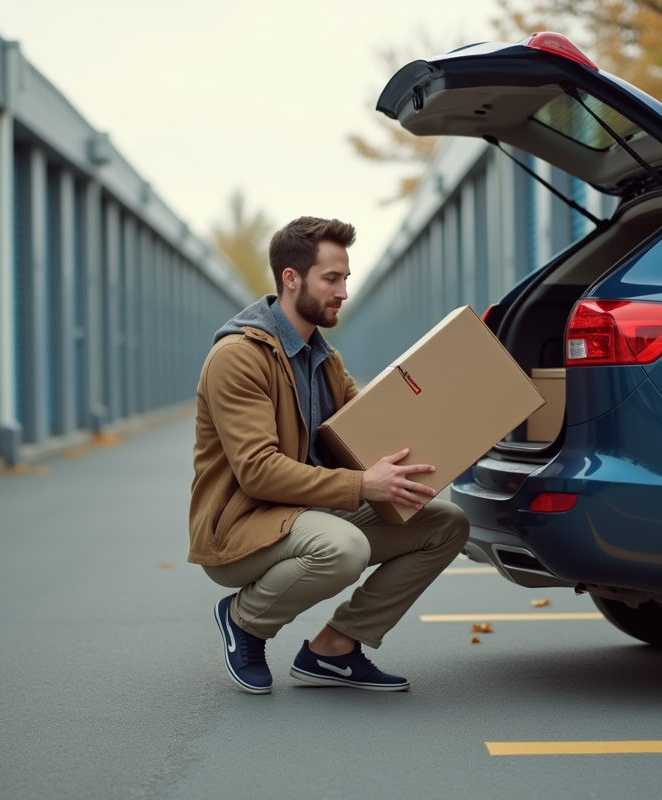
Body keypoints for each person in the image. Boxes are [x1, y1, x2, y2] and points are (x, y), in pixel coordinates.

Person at [188, 216, 470, 694]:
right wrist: (364, 486)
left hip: (310, 514)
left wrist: (450, 427)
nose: (343, 292)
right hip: (243, 528)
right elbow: (257, 472)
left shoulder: (324, 358)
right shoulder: (238, 357)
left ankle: (334, 650)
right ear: (291, 278)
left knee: (446, 524)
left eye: (346, 279)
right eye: (331, 279)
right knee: (345, 547)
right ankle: (244, 619)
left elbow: (367, 432)